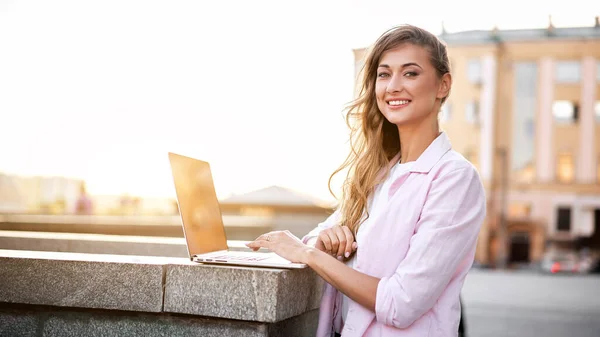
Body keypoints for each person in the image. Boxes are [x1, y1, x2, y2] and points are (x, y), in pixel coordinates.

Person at [247, 24, 486, 337]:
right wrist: (326, 240)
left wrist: (309, 255)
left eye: (410, 73)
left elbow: (401, 303)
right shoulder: (378, 174)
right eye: (384, 74)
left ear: (443, 85)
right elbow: (319, 235)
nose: (393, 86)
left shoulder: (455, 178)